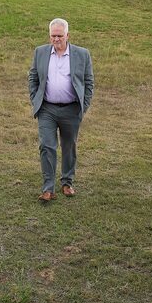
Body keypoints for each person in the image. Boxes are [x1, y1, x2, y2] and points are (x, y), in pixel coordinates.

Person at [28, 18, 94, 202]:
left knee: (68, 146)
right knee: (47, 146)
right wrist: (35, 100)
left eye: (59, 35)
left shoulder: (82, 54)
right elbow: (33, 77)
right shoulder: (40, 52)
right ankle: (48, 188)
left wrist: (83, 106)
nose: (56, 39)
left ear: (67, 35)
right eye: (53, 36)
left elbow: (89, 82)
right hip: (47, 109)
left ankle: (67, 182)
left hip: (71, 110)